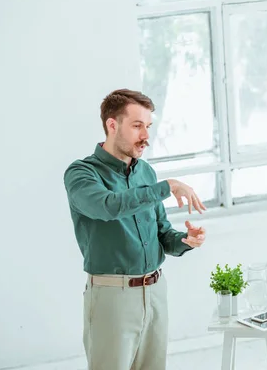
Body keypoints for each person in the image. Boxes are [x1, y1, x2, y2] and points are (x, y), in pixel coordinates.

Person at [63, 89, 207, 370]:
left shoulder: (145, 173)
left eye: (148, 126)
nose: (146, 136)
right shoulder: (81, 174)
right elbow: (107, 206)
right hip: (112, 298)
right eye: (137, 126)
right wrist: (168, 187)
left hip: (155, 293)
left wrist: (185, 240)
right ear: (112, 125)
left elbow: (163, 234)